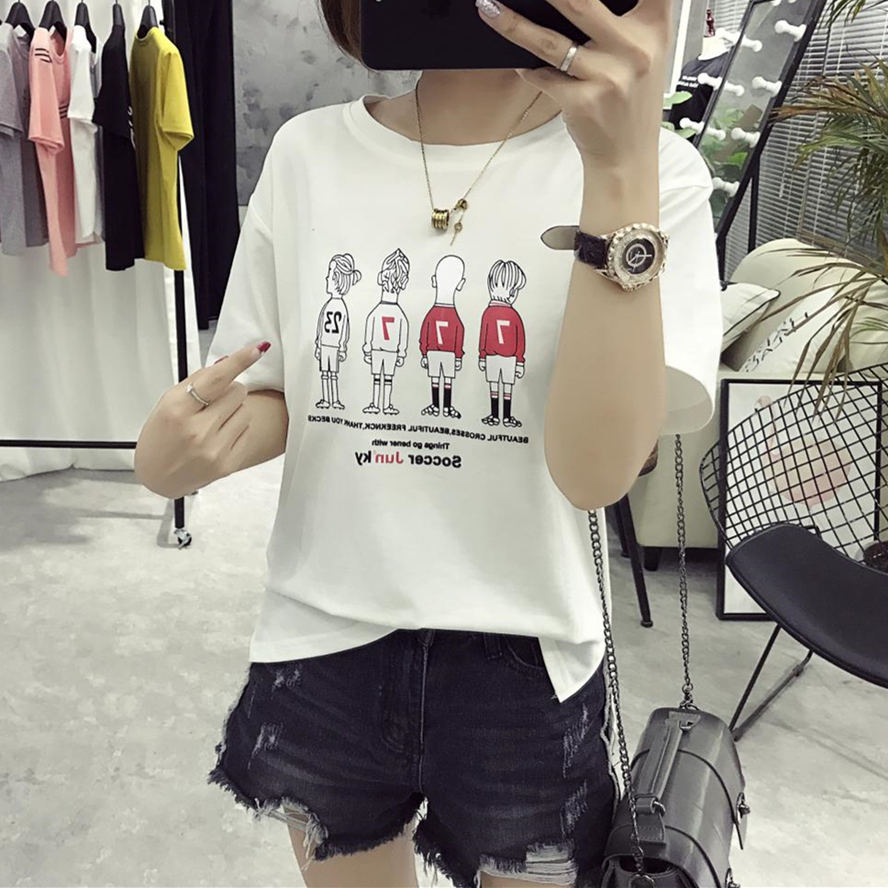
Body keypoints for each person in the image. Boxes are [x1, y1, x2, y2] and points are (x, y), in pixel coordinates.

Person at [133, 0, 723, 886]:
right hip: (324, 636)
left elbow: (594, 472)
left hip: (524, 656)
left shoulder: (657, 175)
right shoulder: (308, 155)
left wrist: (618, 168)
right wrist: (181, 450)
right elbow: (287, 391)